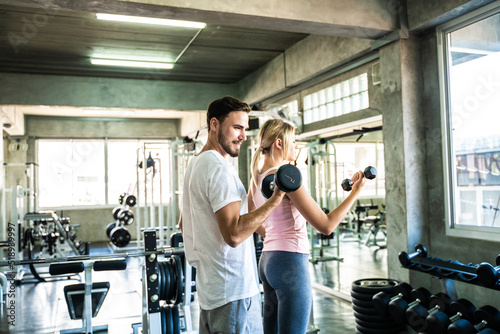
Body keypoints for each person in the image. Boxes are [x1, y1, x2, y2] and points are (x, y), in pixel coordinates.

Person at [248, 119, 368, 334]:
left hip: (268, 262)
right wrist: (355, 192)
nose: (296, 146)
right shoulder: (286, 176)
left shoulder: (256, 178)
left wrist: (275, 238)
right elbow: (326, 226)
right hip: (290, 263)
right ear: (278, 143)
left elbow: (252, 220)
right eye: (293, 141)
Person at [180, 96, 286, 334]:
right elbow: (235, 235)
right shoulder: (218, 167)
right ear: (214, 124)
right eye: (237, 127)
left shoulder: (194, 165)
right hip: (233, 291)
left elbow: (183, 223)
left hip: (211, 291)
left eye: (245, 129)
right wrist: (276, 199)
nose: (243, 136)